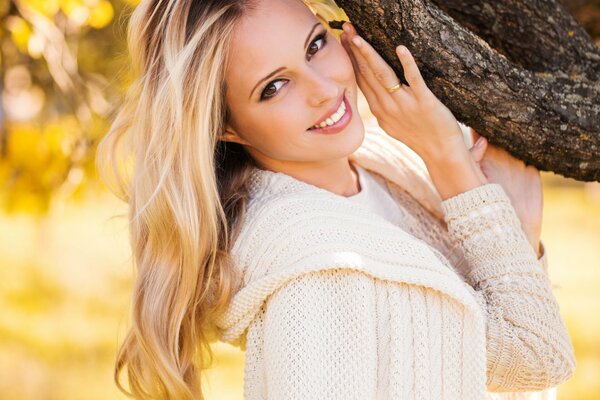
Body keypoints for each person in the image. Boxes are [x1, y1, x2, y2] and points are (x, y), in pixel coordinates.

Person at [96, 0, 576, 399]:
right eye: (274, 87)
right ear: (226, 126)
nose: (325, 90)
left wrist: (520, 236)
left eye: (315, 44)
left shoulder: (380, 167)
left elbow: (493, 367)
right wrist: (450, 160)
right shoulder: (316, 271)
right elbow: (538, 355)